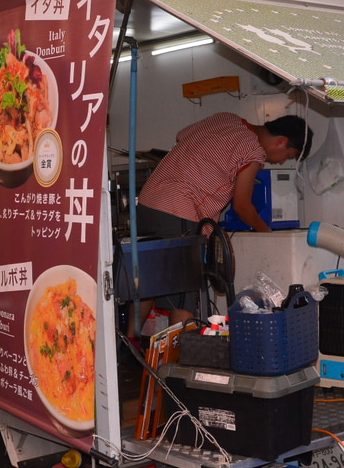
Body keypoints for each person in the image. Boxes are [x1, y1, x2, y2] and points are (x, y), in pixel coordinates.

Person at [132, 112, 313, 325]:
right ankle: (183, 355)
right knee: (187, 295)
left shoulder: (226, 119)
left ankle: (130, 343)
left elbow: (182, 135)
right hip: (179, 208)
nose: (282, 161)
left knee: (148, 283)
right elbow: (242, 206)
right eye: (288, 156)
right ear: (282, 141)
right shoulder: (253, 152)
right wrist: (267, 233)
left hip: (148, 201)